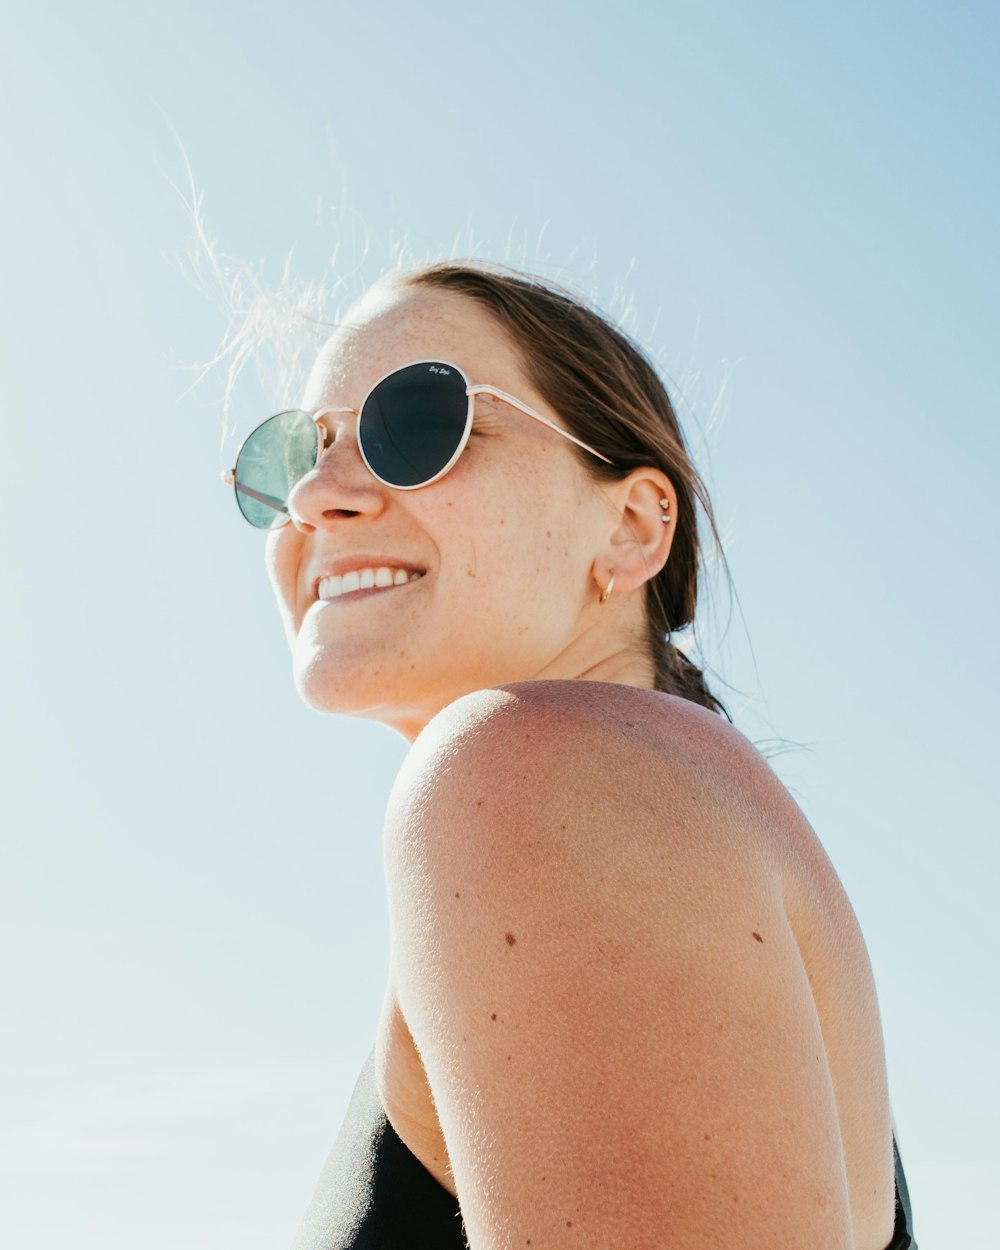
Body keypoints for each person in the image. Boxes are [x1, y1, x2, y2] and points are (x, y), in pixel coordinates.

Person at [223, 261, 917, 1249]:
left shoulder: (533, 765)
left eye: (415, 423)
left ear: (631, 526)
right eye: (300, 451)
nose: (318, 497)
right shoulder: (634, 807)